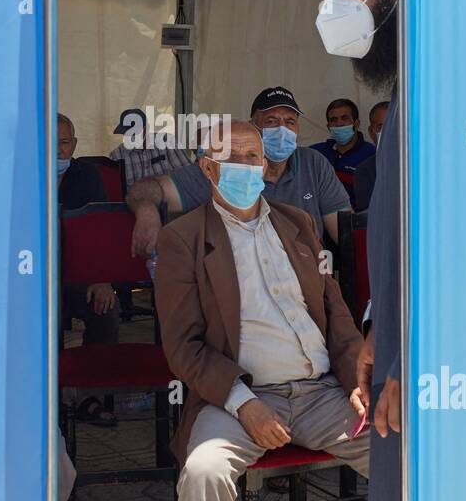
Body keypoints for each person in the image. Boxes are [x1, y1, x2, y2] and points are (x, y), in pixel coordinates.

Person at [153, 120, 370, 501]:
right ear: (208, 169)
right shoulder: (184, 239)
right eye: (233, 157)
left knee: (409, 449)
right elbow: (183, 346)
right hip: (238, 398)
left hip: (323, 393)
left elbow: (337, 316)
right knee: (203, 473)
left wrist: (356, 380)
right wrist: (244, 403)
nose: (248, 166)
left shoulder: (297, 223)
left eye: (254, 156)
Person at [311, 0, 403, 501]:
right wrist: (378, 331)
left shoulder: (457, 70)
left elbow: (458, 237)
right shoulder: (411, 81)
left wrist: (419, 358)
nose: (331, 11)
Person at [127, 86, 351, 256]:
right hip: (244, 285)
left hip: (306, 281)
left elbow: (344, 232)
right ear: (253, 126)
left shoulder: (315, 164)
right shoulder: (224, 167)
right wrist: (147, 210)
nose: (282, 129)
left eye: (289, 121)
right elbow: (147, 188)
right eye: (271, 121)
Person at [57, 113, 120, 425]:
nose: (57, 151)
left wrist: (102, 277)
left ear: (75, 144)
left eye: (64, 143)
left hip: (79, 274)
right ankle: (44, 394)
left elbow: (102, 229)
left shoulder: (87, 175)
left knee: (105, 308)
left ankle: (89, 395)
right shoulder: (20, 173)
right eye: (50, 143)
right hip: (32, 280)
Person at [107, 107, 192, 187]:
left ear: (146, 130)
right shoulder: (116, 157)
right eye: (125, 133)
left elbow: (188, 174)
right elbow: (114, 193)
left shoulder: (167, 142)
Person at [310, 98, 376, 171]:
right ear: (329, 127)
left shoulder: (372, 155)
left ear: (356, 124)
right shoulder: (316, 153)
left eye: (345, 118)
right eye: (334, 120)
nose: (339, 124)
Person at [353, 101, 389, 212]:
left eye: (394, 125)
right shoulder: (365, 170)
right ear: (371, 132)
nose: (389, 132)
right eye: (381, 127)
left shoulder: (423, 164)